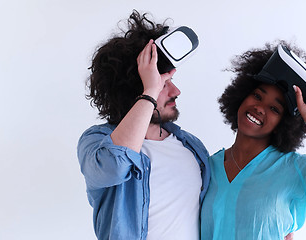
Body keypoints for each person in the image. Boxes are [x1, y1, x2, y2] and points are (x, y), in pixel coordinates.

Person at [200, 41, 306, 239]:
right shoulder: (209, 167)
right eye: (257, 95)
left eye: (275, 109)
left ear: (285, 123)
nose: (259, 108)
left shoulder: (294, 169)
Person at [77, 10, 210, 240]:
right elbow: (115, 166)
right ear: (136, 88)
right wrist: (150, 92)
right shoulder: (96, 142)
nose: (176, 91)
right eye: (163, 83)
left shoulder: (192, 147)